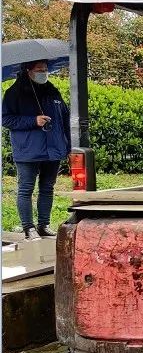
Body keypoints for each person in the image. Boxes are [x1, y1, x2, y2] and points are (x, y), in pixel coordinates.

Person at [1, 61, 70, 240]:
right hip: (28, 150)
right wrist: (33, 121)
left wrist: (67, 146)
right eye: (39, 70)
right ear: (28, 71)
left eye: (46, 70)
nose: (44, 73)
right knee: (26, 188)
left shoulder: (53, 91)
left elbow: (65, 118)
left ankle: (43, 225)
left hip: (53, 149)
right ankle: (28, 227)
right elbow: (6, 120)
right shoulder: (14, 93)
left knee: (47, 187)